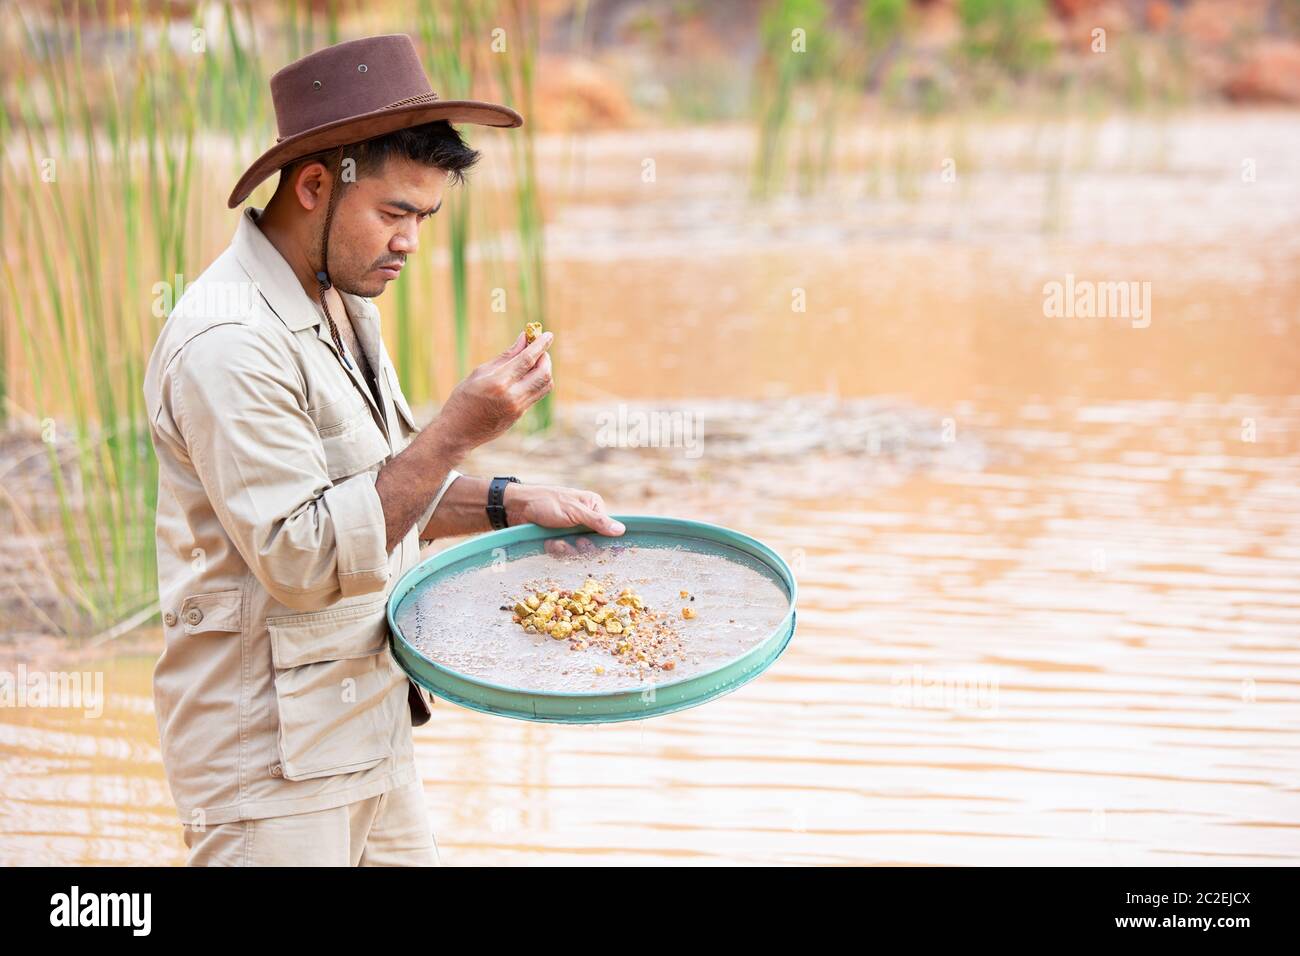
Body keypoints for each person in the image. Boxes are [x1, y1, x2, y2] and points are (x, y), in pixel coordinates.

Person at [142, 33, 624, 866]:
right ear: (316, 184)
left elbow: (384, 493)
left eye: (424, 219)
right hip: (269, 766)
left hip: (364, 726)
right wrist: (455, 431)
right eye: (395, 213)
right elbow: (303, 558)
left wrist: (514, 504)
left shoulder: (340, 300)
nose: (409, 242)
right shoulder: (229, 341)